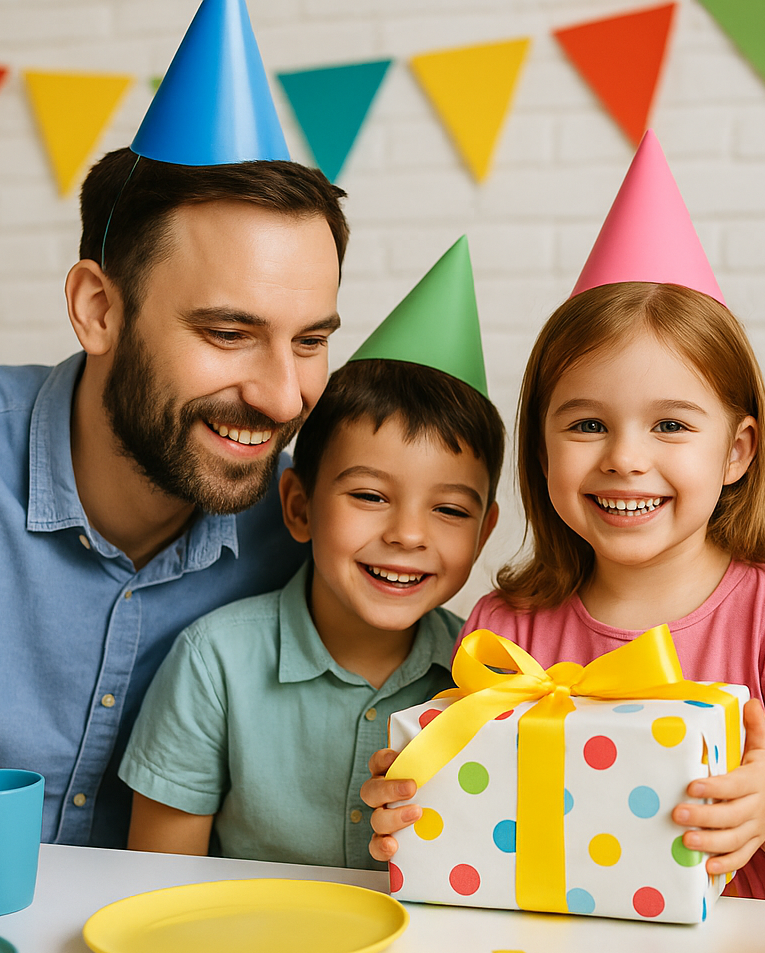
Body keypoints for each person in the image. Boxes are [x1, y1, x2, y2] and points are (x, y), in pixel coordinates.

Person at [0, 0, 348, 845]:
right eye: (228, 334)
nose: (284, 399)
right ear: (99, 308)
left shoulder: (309, 530)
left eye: (311, 341)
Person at [363, 134, 765, 906]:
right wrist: (415, 802)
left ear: (737, 451)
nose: (625, 459)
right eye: (586, 425)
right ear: (542, 447)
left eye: (670, 426)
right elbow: (477, 829)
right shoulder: (506, 634)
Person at [119, 240, 504, 868]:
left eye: (450, 510)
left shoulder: (486, 681)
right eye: (371, 496)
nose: (409, 534)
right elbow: (158, 881)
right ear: (298, 507)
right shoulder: (215, 662)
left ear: (483, 534)